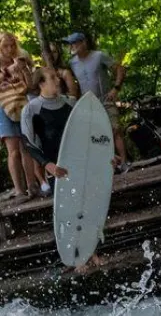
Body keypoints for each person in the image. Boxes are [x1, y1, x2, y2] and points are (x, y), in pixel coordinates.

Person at [63, 32, 130, 171]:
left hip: (105, 98)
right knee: (98, 135)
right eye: (70, 44)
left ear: (83, 43)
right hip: (89, 103)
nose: (72, 46)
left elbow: (120, 69)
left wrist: (116, 88)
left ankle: (124, 162)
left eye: (75, 43)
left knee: (115, 129)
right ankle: (109, 165)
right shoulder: (72, 62)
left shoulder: (98, 56)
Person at [19, 67, 75, 198]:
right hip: (56, 168)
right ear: (41, 83)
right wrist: (47, 164)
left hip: (79, 162)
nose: (58, 80)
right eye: (52, 77)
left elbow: (87, 132)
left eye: (57, 76)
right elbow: (28, 143)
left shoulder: (71, 102)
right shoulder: (30, 110)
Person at [1, 33, 38, 199]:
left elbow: (30, 86)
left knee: (26, 147)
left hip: (22, 105)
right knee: (13, 150)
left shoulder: (19, 59)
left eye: (12, 45)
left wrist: (24, 69)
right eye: (5, 46)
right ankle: (19, 190)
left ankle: (32, 187)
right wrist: (9, 72)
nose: (9, 49)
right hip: (3, 108)